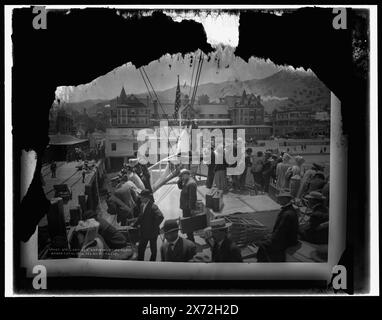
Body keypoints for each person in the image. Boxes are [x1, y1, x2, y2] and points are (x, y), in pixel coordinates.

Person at [256, 192, 299, 262]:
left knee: (262, 245)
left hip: (287, 241)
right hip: (287, 237)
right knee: (265, 239)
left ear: (285, 199)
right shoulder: (289, 209)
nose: (277, 200)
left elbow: (280, 232)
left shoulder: (287, 214)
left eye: (279, 199)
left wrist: (270, 239)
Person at [132, 189, 164, 261]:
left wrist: (153, 226)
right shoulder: (142, 205)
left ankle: (152, 262)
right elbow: (140, 217)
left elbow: (160, 217)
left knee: (153, 249)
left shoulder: (153, 207)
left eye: (142, 197)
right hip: (144, 232)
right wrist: (134, 225)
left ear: (147, 198)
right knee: (141, 249)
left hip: (152, 233)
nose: (140, 198)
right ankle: (141, 263)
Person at [177, 168, 197, 242]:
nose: (181, 177)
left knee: (188, 224)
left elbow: (192, 198)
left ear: (187, 174)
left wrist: (192, 209)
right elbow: (180, 187)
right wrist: (180, 180)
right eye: (181, 176)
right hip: (185, 207)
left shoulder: (191, 183)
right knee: (187, 223)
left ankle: (191, 239)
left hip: (188, 208)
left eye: (182, 175)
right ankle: (190, 237)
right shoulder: (186, 182)